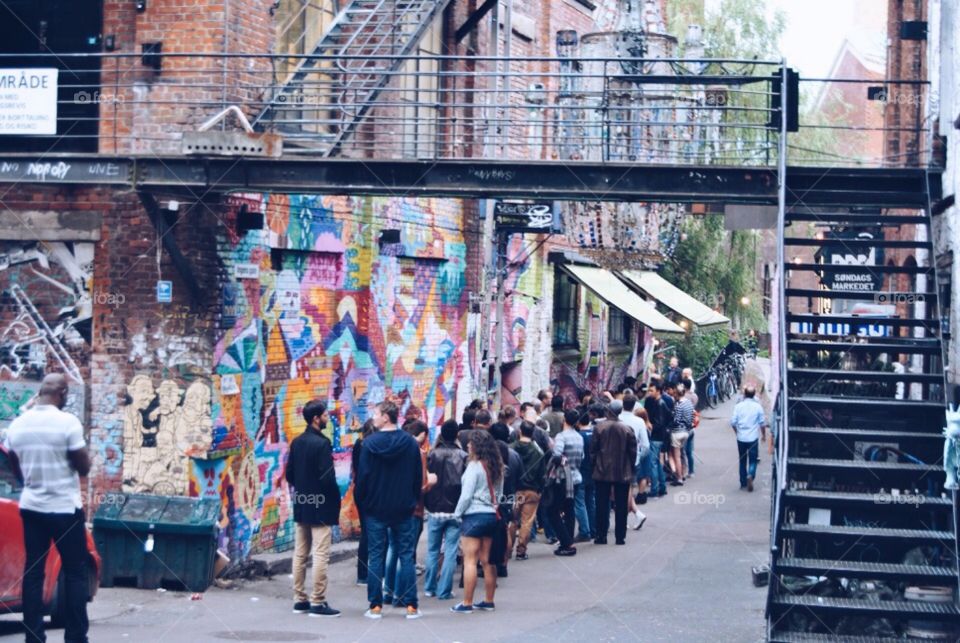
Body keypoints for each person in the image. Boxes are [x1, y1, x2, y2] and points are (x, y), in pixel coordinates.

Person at [4, 374, 92, 643]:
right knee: (76, 571)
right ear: (63, 393)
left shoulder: (17, 426)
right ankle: (76, 637)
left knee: (33, 571)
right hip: (65, 508)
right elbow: (84, 467)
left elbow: (14, 466)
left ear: (40, 392)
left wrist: (30, 479)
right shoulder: (68, 423)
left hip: (32, 508)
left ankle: (34, 636)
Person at [356, 401, 424, 620]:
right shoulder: (410, 443)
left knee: (376, 555)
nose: (373, 417)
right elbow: (416, 476)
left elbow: (363, 477)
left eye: (376, 413)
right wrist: (413, 499)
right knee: (406, 555)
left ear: (386, 416)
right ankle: (411, 605)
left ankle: (375, 605)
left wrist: (363, 503)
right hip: (403, 507)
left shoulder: (369, 444)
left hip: (375, 508)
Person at [285, 400, 343, 618]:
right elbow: (327, 478)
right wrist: (333, 497)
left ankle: (299, 599)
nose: (328, 417)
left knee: (300, 552)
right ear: (316, 418)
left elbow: (290, 474)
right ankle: (318, 601)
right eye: (325, 415)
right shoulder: (322, 444)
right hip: (321, 504)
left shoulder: (297, 442)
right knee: (320, 553)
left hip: (303, 501)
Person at [451, 431, 504, 614]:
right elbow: (499, 495)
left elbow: (466, 495)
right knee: (487, 561)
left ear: (476, 446)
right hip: (491, 516)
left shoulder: (474, 466)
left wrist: (457, 514)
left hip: (473, 515)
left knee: (470, 561)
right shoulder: (497, 466)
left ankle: (467, 603)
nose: (467, 445)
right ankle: (489, 600)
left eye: (470, 443)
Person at [383, 420, 435, 605]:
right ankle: (400, 594)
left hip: (392, 506)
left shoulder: (392, 450)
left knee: (392, 548)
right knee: (406, 552)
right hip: (412, 509)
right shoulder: (418, 453)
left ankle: (387, 593)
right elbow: (421, 485)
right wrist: (432, 481)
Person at [424, 420, 467, 601]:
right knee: (450, 551)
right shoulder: (464, 456)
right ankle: (444, 591)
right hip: (455, 510)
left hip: (434, 510)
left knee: (433, 550)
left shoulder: (432, 455)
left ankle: (429, 587)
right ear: (457, 435)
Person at [589, 403, 637, 545]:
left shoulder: (599, 428)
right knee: (621, 505)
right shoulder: (627, 429)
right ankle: (620, 537)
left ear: (607, 411)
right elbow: (633, 452)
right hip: (622, 471)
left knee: (601, 504)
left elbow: (592, 451)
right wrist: (631, 467)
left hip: (602, 470)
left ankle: (601, 535)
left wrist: (594, 466)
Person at [489, 422, 521, 577]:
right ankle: (503, 563)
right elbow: (520, 477)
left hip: (491, 499)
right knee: (507, 531)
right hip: (509, 497)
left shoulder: (488, 455)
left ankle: (490, 563)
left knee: (490, 534)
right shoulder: (514, 455)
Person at [551, 409, 586, 554]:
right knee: (569, 510)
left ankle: (565, 542)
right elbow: (582, 456)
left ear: (564, 420)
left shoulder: (561, 436)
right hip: (576, 477)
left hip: (563, 478)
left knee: (552, 511)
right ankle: (568, 541)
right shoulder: (579, 437)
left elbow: (556, 455)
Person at [510, 421, 546, 560]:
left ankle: (507, 550)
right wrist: (540, 489)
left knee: (512, 520)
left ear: (520, 431)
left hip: (514, 491)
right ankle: (521, 551)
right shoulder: (538, 452)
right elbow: (542, 474)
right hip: (532, 490)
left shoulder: (511, 448)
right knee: (527, 522)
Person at [352, 419, 377, 586]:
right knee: (371, 534)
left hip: (360, 491)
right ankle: (367, 574)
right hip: (371, 492)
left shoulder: (358, 445)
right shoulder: (373, 448)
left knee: (366, 534)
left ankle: (362, 574)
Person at [618, 395, 648, 529]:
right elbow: (646, 445)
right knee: (627, 488)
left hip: (617, 459)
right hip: (633, 460)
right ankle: (635, 514)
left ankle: (627, 518)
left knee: (620, 490)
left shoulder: (618, 419)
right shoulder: (639, 421)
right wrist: (638, 458)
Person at [731, 387, 767, 492]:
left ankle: (743, 482)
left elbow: (733, 422)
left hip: (741, 437)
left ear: (745, 395)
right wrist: (764, 435)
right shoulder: (758, 407)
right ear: (754, 394)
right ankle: (750, 474)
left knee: (742, 460)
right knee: (753, 460)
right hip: (753, 437)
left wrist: (736, 432)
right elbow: (762, 423)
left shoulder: (738, 406)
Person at [644, 382, 668, 498]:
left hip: (656, 437)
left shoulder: (659, 404)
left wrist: (651, 425)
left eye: (651, 391)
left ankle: (655, 489)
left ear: (658, 391)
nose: (649, 393)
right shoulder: (659, 403)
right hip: (660, 436)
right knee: (657, 462)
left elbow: (660, 422)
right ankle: (662, 487)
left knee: (653, 463)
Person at [665, 382, 692, 486]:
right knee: (681, 454)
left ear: (677, 393)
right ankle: (683, 473)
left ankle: (679, 477)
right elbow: (691, 417)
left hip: (677, 432)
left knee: (676, 456)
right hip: (686, 431)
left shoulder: (678, 405)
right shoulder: (688, 403)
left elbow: (675, 420)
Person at [573, 412, 594, 541]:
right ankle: (593, 528)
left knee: (580, 502)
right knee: (591, 501)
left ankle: (584, 531)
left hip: (581, 471)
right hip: (593, 472)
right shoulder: (595, 434)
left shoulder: (579, 437)